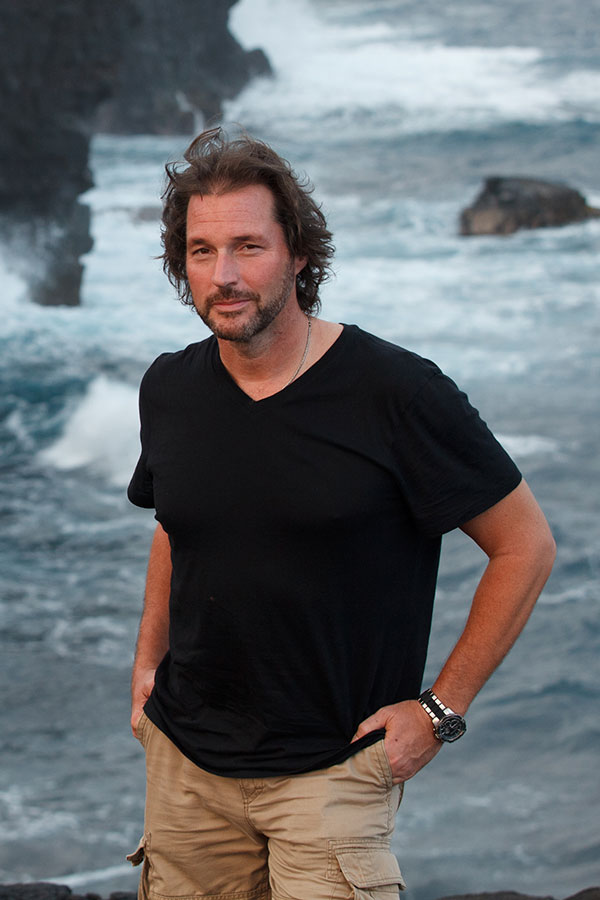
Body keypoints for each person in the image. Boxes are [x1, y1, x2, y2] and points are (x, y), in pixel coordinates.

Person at [126, 127, 555, 900]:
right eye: (200, 251)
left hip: (332, 775)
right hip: (186, 770)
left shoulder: (398, 393)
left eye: (248, 246)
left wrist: (440, 710)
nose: (223, 275)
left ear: (297, 253)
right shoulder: (169, 387)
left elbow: (525, 546)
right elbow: (176, 525)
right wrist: (145, 667)